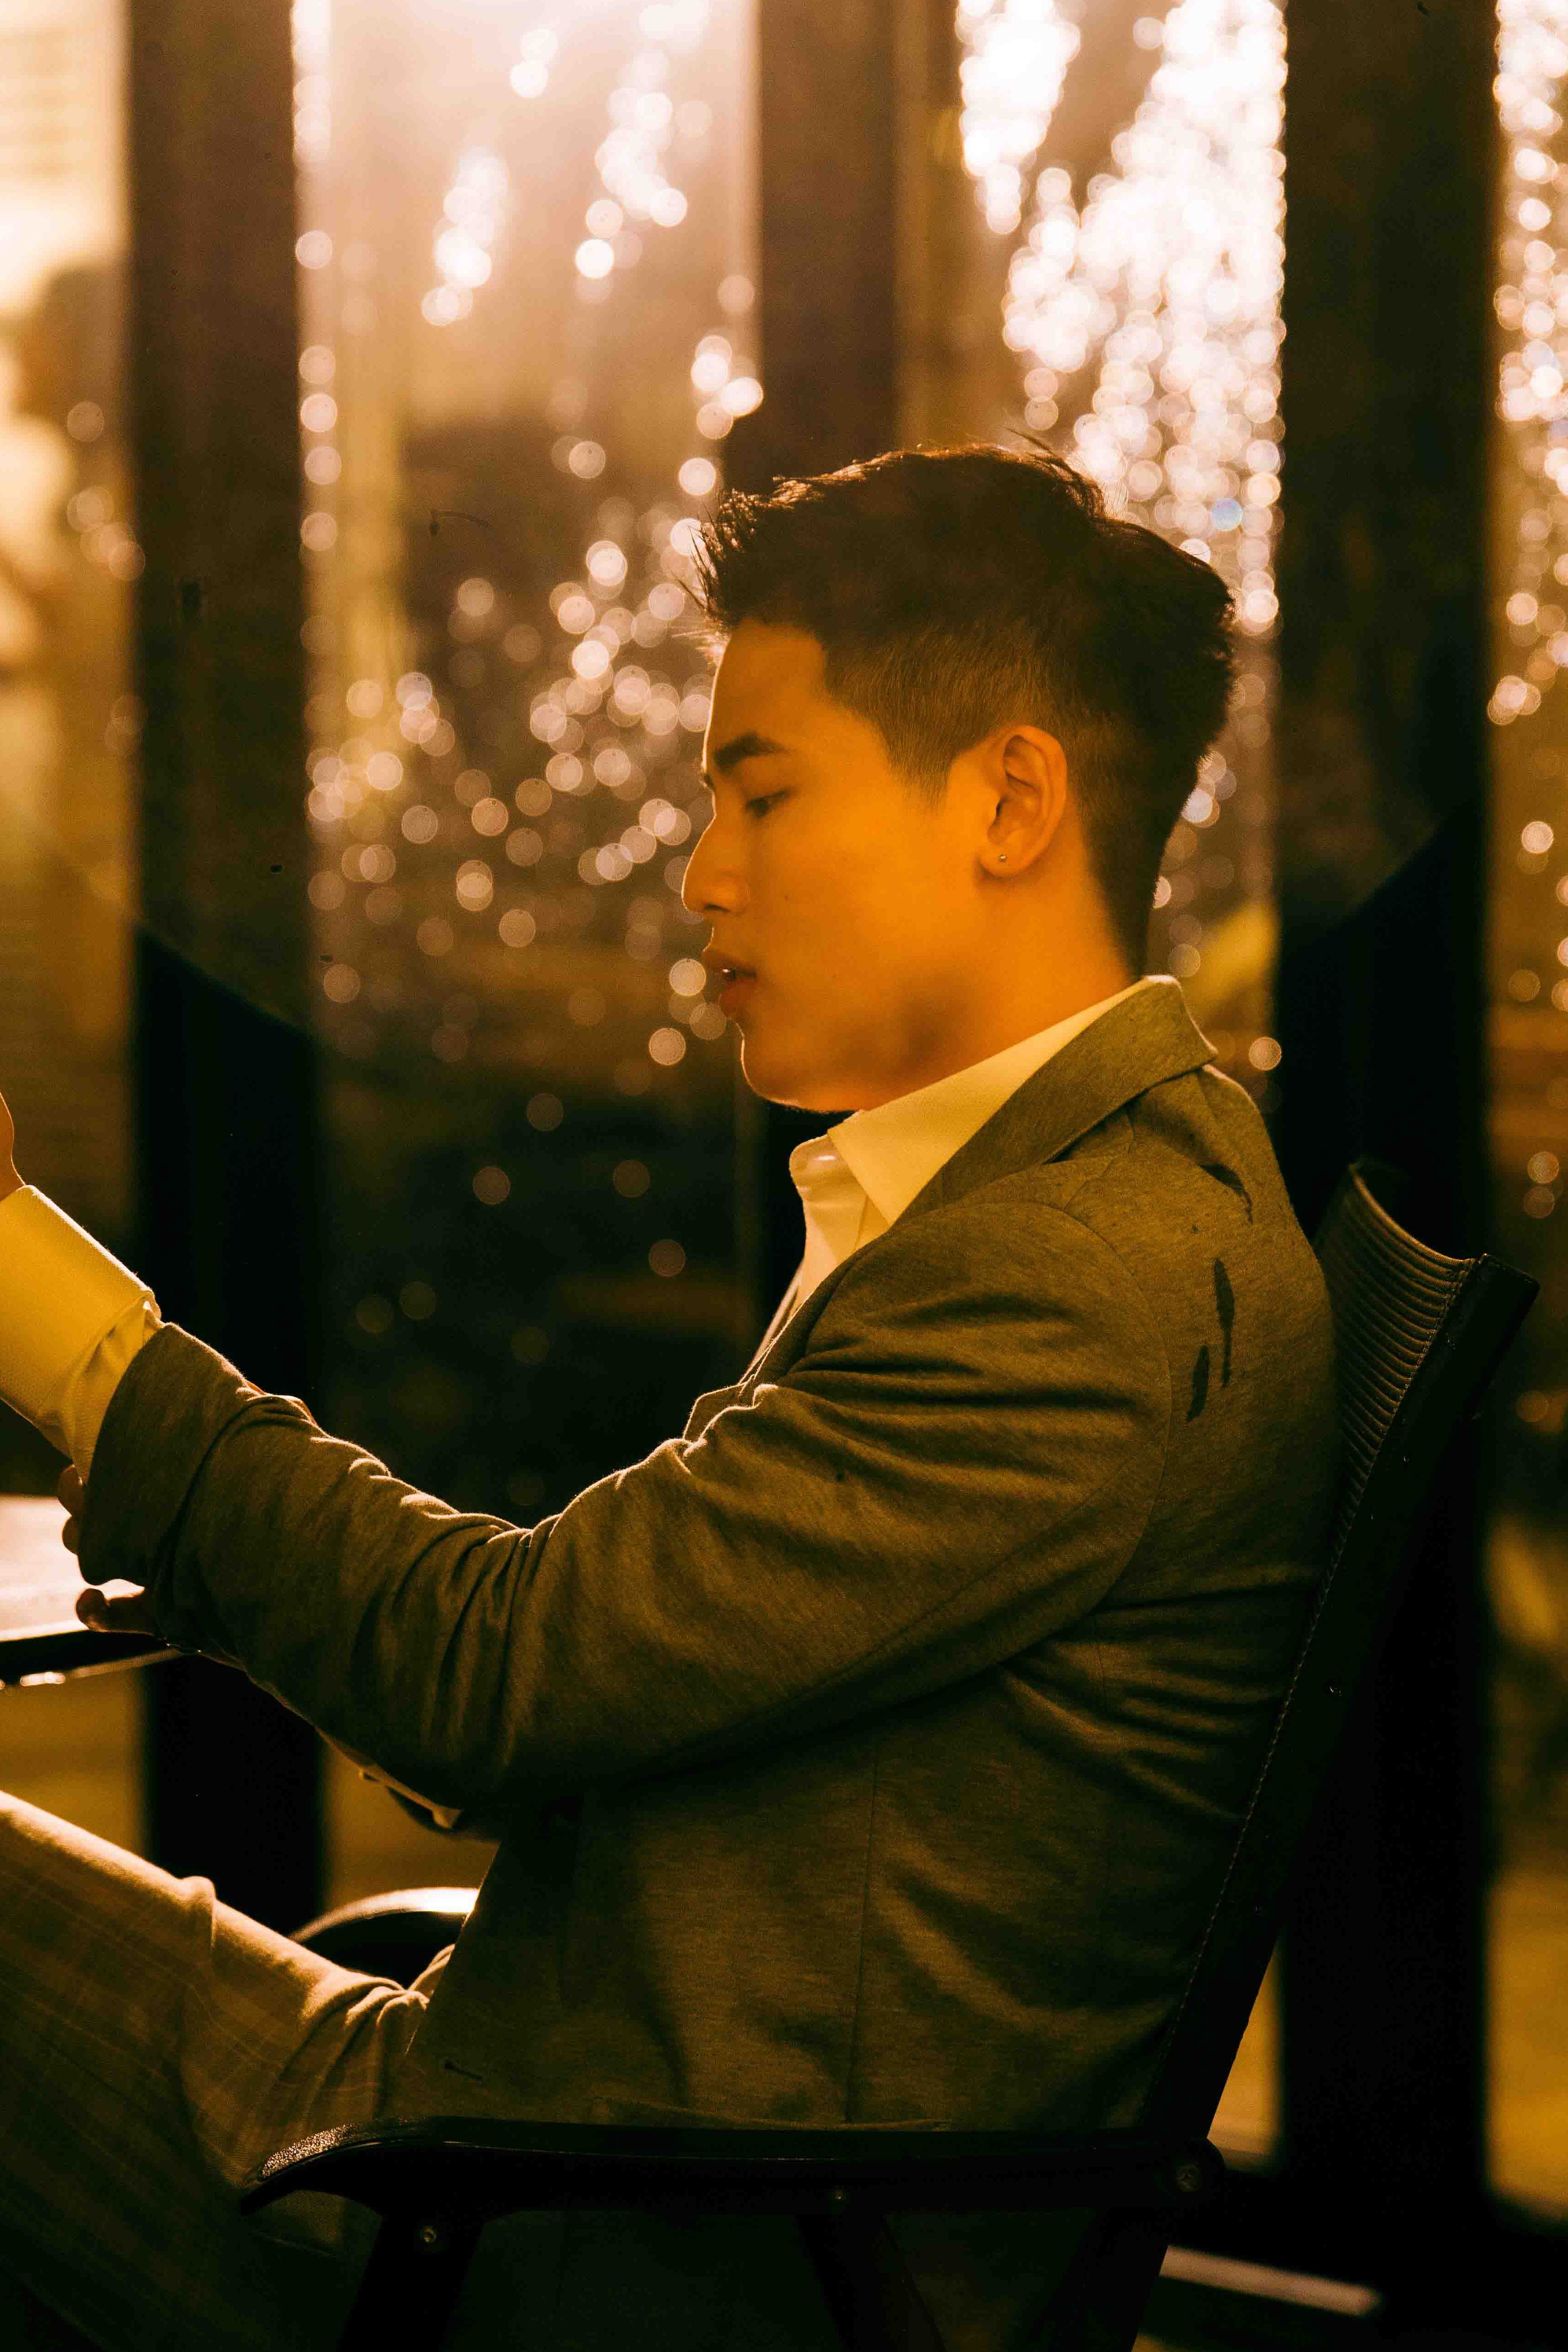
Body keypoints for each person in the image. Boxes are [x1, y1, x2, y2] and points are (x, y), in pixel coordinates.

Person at [0, 443, 1337, 2350]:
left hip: (597, 2245)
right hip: (557, 2128)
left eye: (762, 794)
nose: (704, 874)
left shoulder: (1073, 1276)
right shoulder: (1065, 1193)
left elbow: (495, 1675)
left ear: (1010, 800)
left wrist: (30, 1301)